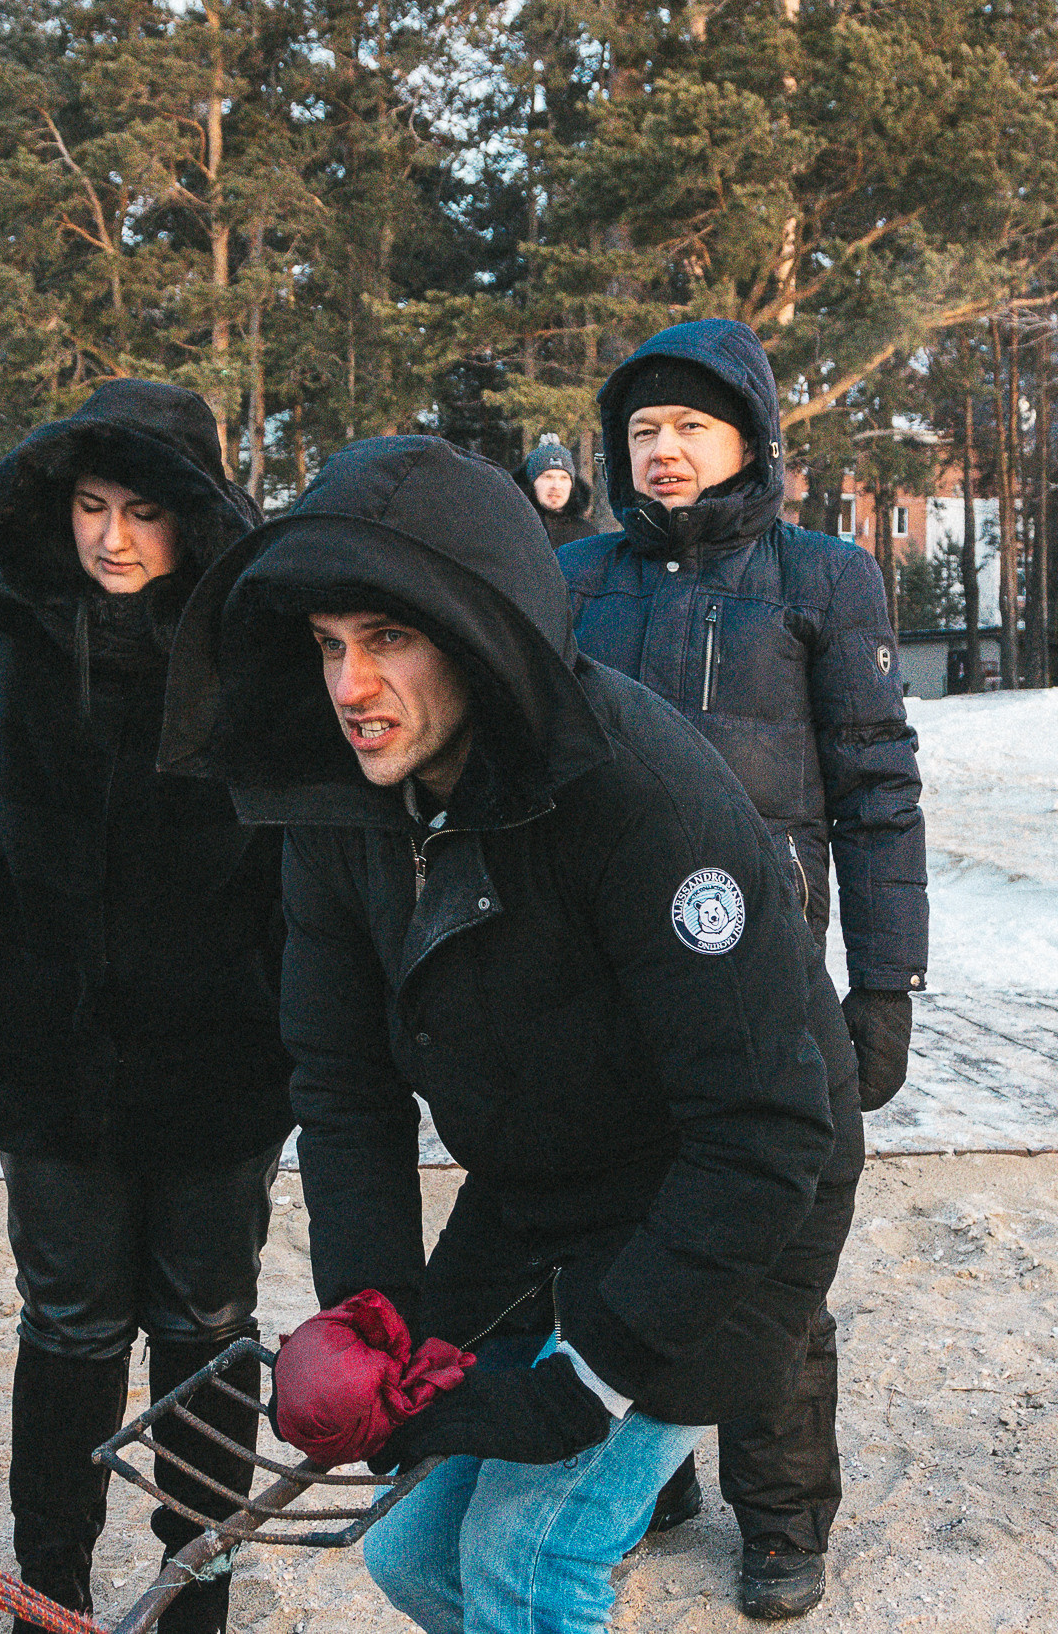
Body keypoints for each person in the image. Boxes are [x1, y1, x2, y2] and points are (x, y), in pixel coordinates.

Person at [156, 433, 861, 1634]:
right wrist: (370, 1308)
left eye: (388, 639)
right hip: (545, 1188)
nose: (349, 688)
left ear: (477, 637)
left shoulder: (642, 799)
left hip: (730, 1194)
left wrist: (594, 1369)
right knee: (418, 1558)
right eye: (328, 643)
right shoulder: (343, 804)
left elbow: (763, 1129)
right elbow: (342, 1086)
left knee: (529, 1559)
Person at [0, 380, 293, 1634]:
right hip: (48, 1045)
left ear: (191, 515)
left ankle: (198, 1581)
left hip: (217, 1051)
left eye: (140, 509)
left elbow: (299, 838)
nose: (112, 536)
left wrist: (272, 994)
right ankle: (49, 1584)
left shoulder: (253, 640)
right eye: (88, 505)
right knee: (69, 1320)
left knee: (208, 1317)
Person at [560, 318, 927, 1617]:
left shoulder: (824, 576)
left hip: (761, 975)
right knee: (617, 1233)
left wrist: (887, 984)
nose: (663, 451)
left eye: (690, 428)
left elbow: (878, 794)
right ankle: (648, 1485)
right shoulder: (580, 576)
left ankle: (780, 1516)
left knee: (768, 1251)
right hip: (605, 973)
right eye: (644, 430)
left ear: (750, 440)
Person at [514, 433, 601, 548]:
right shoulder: (512, 529)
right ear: (531, 483)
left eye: (564, 478)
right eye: (547, 477)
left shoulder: (588, 536)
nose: (556, 486)